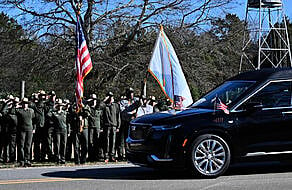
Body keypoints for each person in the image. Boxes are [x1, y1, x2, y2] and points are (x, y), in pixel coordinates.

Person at [118, 88, 139, 160]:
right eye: (130, 93)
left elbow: (141, 103)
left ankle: (134, 154)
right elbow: (123, 112)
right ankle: (124, 154)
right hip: (125, 122)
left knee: (134, 139)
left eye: (132, 93)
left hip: (134, 123)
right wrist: (132, 113)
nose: (131, 94)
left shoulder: (136, 100)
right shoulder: (122, 102)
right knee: (124, 140)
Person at [101, 92, 121, 162]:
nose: (110, 98)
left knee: (113, 142)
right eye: (109, 96)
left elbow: (118, 116)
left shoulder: (116, 105)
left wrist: (118, 126)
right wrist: (104, 100)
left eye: (111, 97)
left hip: (114, 126)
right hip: (106, 126)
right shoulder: (104, 106)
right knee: (106, 141)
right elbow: (99, 108)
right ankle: (106, 156)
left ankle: (112, 156)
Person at [16, 98, 35, 166]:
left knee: (28, 145)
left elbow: (34, 120)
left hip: (29, 129)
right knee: (21, 145)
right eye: (24, 103)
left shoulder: (31, 111)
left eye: (26, 103)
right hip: (21, 130)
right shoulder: (19, 111)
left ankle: (27, 160)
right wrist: (17, 105)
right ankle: (22, 160)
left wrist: (34, 128)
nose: (25, 104)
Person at [51, 99, 69, 164]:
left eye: (61, 105)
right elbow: (48, 115)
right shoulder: (54, 113)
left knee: (63, 144)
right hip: (57, 130)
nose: (60, 107)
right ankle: (57, 158)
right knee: (57, 144)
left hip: (64, 130)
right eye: (58, 105)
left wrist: (68, 131)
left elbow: (68, 122)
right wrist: (53, 108)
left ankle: (63, 158)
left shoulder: (65, 113)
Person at [87, 94, 103, 161]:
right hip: (90, 127)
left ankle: (97, 156)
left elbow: (102, 118)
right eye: (92, 99)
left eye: (95, 100)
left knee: (97, 142)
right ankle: (91, 156)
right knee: (90, 142)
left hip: (97, 127)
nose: (94, 101)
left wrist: (102, 127)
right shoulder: (88, 108)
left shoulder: (99, 108)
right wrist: (88, 101)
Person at [31, 91, 46, 162]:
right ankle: (37, 157)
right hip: (37, 126)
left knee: (43, 143)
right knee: (37, 143)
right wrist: (34, 97)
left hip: (43, 126)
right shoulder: (35, 105)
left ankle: (42, 157)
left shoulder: (43, 104)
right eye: (41, 96)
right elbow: (30, 104)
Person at [44, 91, 56, 161]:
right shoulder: (46, 104)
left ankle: (56, 155)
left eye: (53, 96)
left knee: (56, 142)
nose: (52, 97)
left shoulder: (57, 104)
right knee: (49, 142)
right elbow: (47, 114)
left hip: (56, 126)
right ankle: (50, 155)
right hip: (49, 125)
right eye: (51, 96)